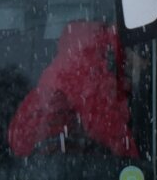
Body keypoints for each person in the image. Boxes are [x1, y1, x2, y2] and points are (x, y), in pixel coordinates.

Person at [8, 21, 139, 158]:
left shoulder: (51, 78)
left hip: (37, 170)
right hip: (76, 170)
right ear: (113, 51)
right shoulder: (93, 85)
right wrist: (134, 161)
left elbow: (17, 140)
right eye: (132, 53)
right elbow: (115, 139)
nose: (138, 61)